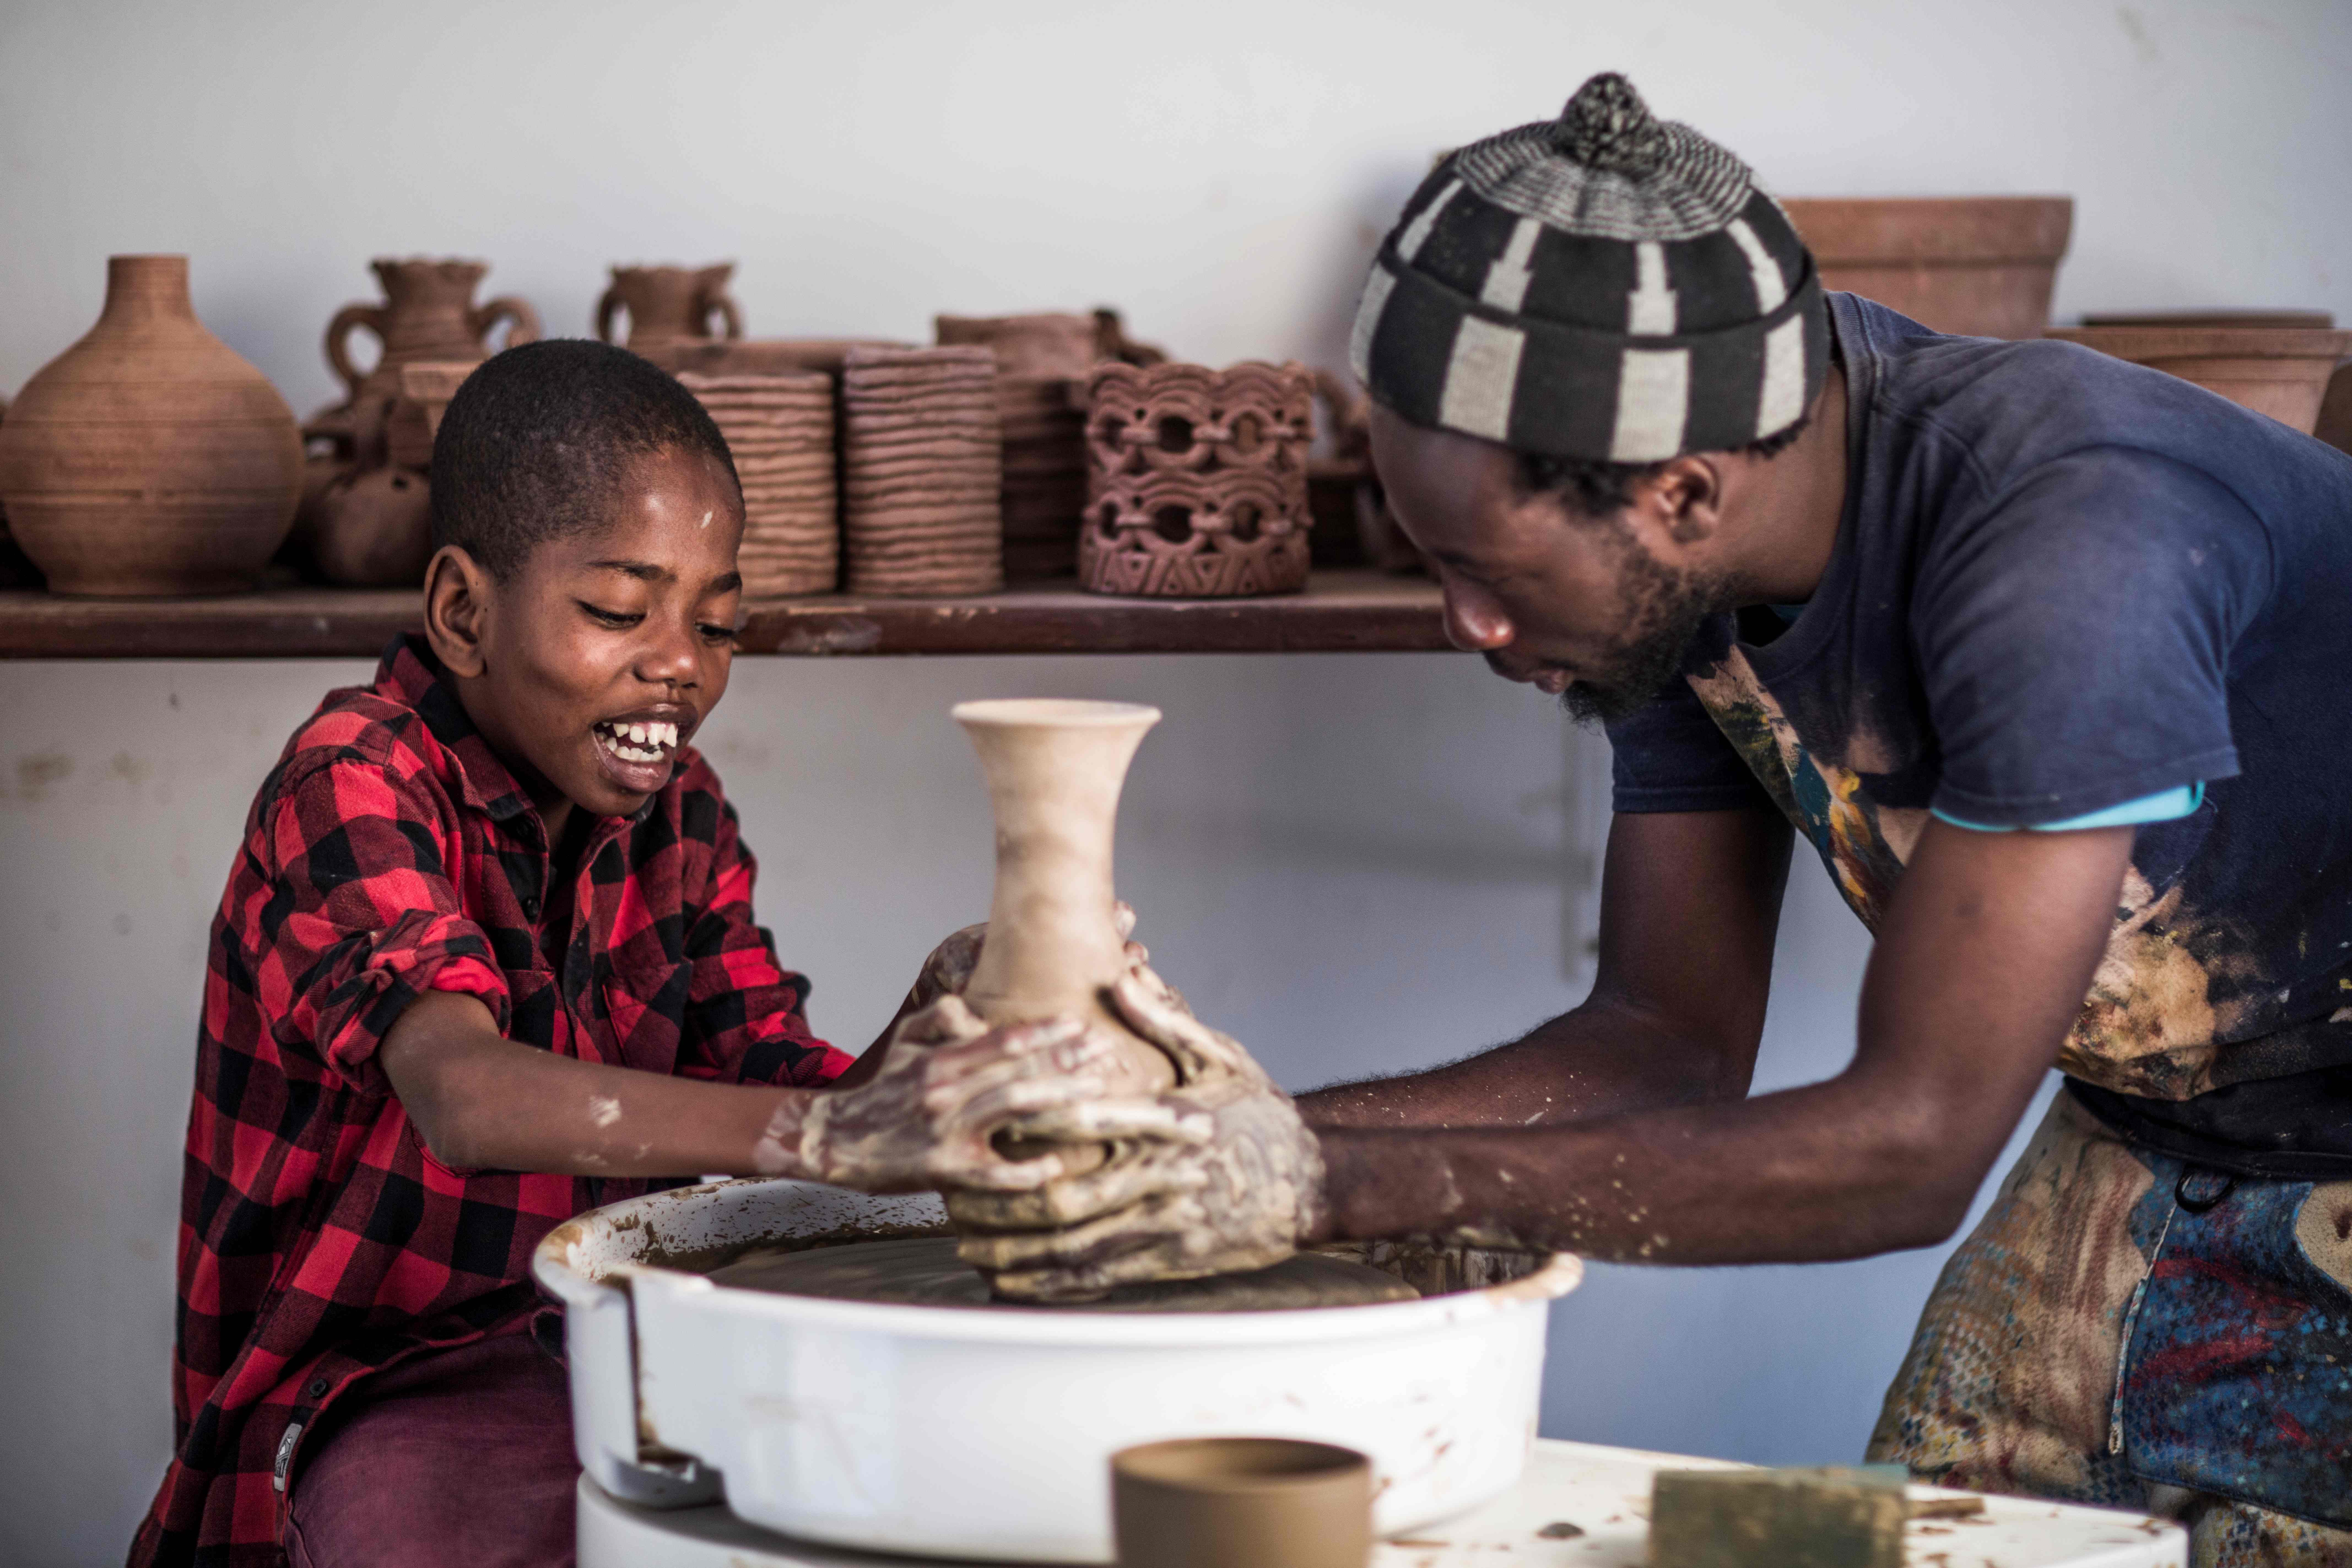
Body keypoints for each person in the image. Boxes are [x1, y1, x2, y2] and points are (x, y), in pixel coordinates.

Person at [964, 75, 2352, 1563]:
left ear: (1679, 490)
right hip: (2150, 1132)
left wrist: (1329, 1184)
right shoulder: (1674, 562)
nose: (1463, 622)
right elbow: (1659, 1038)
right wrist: (1212, 1137)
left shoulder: (2068, 547)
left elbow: (1911, 1145)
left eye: (1484, 566)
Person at [128, 341, 1147, 1568]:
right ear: (464, 611)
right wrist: (851, 1134)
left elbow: (799, 1114)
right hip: (376, 1385)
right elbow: (467, 1093)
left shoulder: (680, 812)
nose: (681, 662)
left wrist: (947, 1010)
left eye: (718, 624)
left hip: (622, 1332)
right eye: (619, 611)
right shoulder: (354, 777)